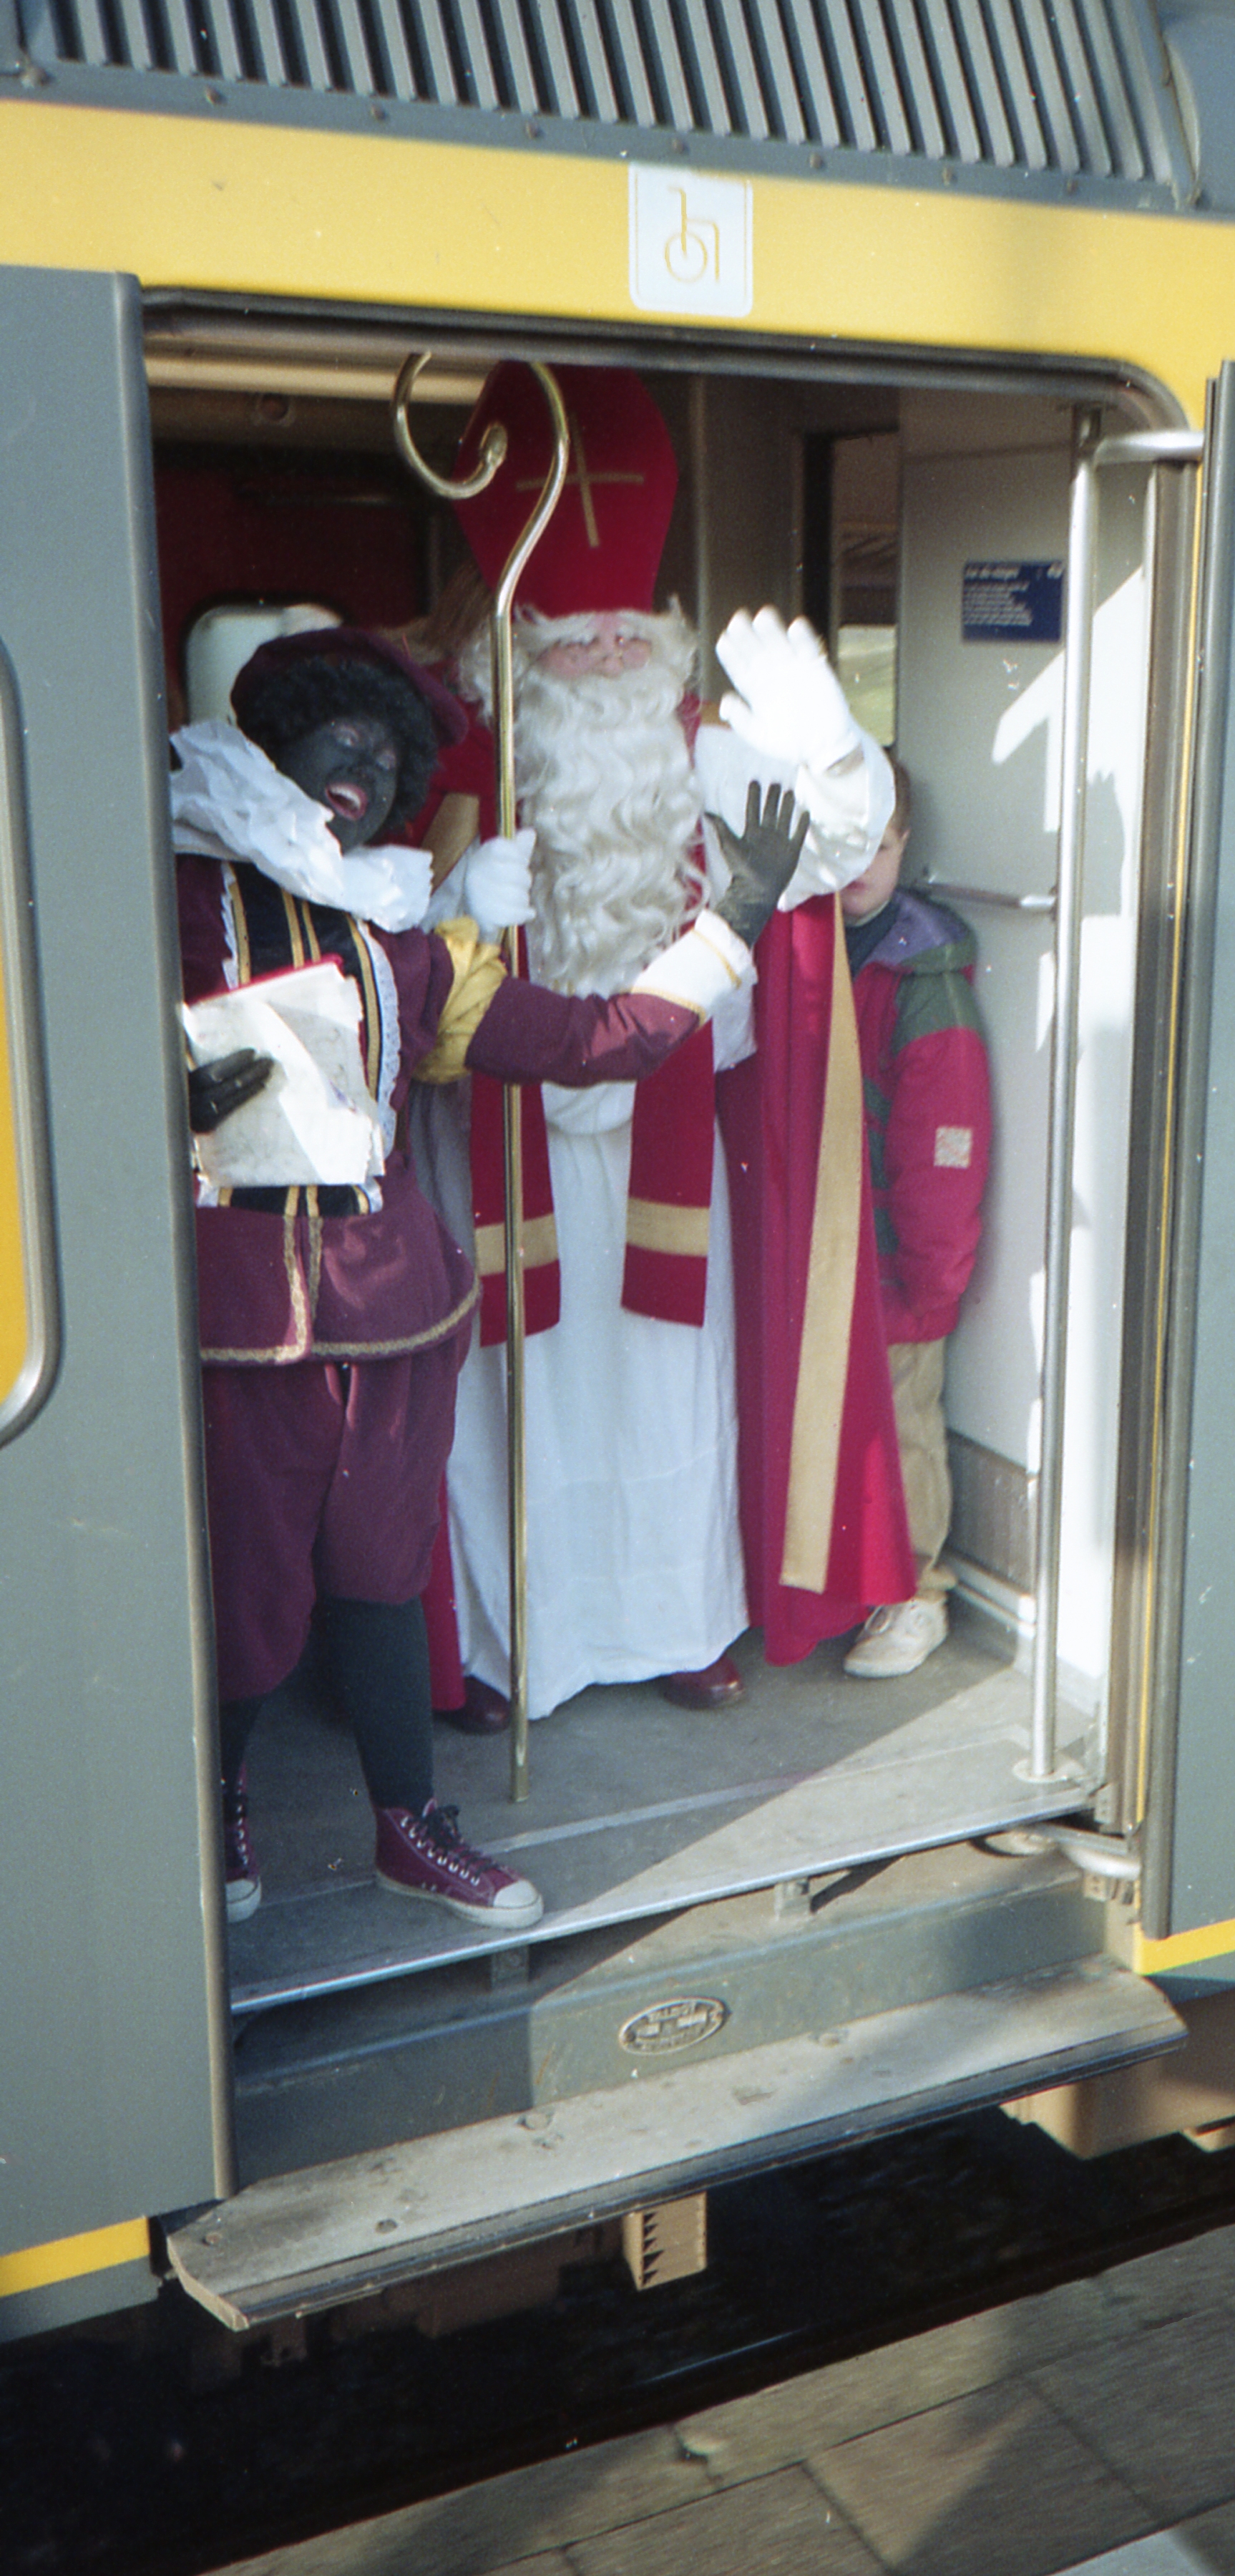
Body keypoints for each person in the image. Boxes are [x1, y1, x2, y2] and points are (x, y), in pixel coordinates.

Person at [175, 624, 806, 1925]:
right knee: (248, 1582)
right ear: (280, 745)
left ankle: (409, 1823)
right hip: (245, 1318)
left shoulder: (415, 940)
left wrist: (732, 921)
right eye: (335, 738)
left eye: (386, 752)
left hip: (398, 1312)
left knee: (378, 1571)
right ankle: (216, 1800)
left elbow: (595, 1040)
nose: (358, 765)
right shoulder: (173, 894)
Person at [412, 363, 914, 1726]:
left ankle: (675, 1621)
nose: (604, 664)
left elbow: (843, 853)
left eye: (627, 640)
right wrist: (449, 902)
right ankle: (510, 1644)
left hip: (667, 1129)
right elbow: (362, 948)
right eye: (572, 644)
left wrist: (834, 747)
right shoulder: (461, 759)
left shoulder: (697, 751)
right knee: (507, 1395)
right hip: (491, 1130)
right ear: (515, 649)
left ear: (663, 643)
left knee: (665, 1386)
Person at [838, 759, 992, 1678]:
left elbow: (945, 1141)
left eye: (878, 842)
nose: (858, 860)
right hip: (831, 1247)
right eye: (841, 842)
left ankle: (916, 1591)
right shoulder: (818, 945)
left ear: (904, 846)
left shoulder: (922, 978)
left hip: (896, 1257)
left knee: (902, 1425)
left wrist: (930, 1274)